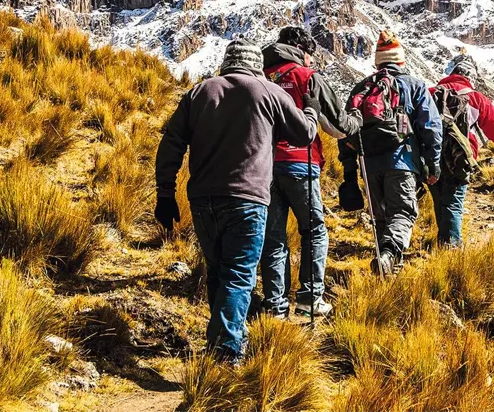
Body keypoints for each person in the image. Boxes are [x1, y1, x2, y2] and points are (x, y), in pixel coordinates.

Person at [154, 39, 318, 363]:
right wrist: (310, 109)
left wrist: (165, 194)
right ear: (255, 64)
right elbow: (305, 135)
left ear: (227, 63)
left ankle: (225, 340)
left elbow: (171, 143)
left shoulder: (199, 93)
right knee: (239, 275)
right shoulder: (269, 92)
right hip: (248, 199)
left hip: (201, 201)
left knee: (217, 272)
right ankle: (226, 354)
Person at [259, 26, 361, 319]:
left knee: (274, 236)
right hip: (301, 162)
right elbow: (337, 126)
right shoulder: (307, 77)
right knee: (314, 230)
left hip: (263, 165)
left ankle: (274, 305)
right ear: (302, 51)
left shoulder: (260, 77)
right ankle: (310, 298)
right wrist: (356, 121)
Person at [340, 30, 442, 276]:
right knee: (403, 213)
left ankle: (388, 267)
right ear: (401, 61)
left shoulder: (362, 88)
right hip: (403, 162)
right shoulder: (414, 86)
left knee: (381, 218)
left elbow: (345, 130)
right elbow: (431, 127)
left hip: (369, 164)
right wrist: (433, 162)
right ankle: (388, 256)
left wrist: (349, 173)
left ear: (378, 62)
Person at [429, 54, 494, 247]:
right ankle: (451, 247)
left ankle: (444, 241)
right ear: (470, 78)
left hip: (431, 154)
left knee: (439, 198)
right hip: (460, 157)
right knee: (453, 201)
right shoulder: (476, 98)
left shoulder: (431, 92)